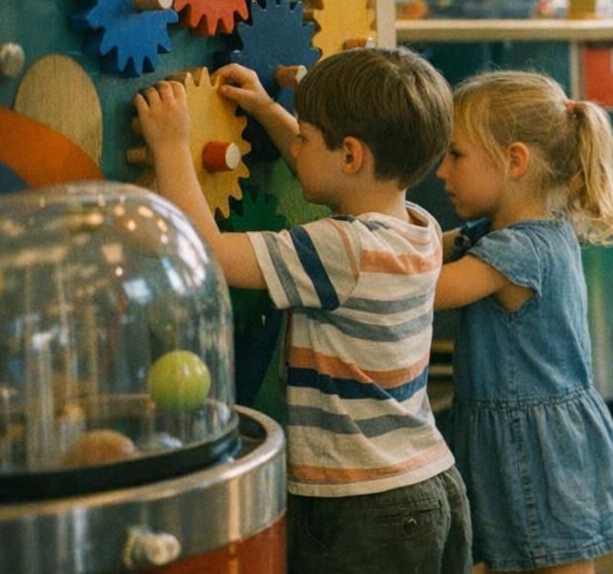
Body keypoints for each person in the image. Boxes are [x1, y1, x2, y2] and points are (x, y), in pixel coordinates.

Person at [134, 48, 470, 574]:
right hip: (425, 480)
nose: (295, 146)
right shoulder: (415, 226)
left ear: (351, 155)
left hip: (363, 504)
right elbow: (339, 176)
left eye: (304, 137)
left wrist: (172, 146)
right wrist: (268, 110)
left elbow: (214, 254)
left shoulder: (343, 249)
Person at [433, 71, 613, 573]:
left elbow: (427, 289)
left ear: (515, 161)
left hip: (536, 445)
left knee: (557, 563)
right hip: (512, 435)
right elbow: (423, 251)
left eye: (455, 155)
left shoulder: (517, 250)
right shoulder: (503, 233)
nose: (441, 171)